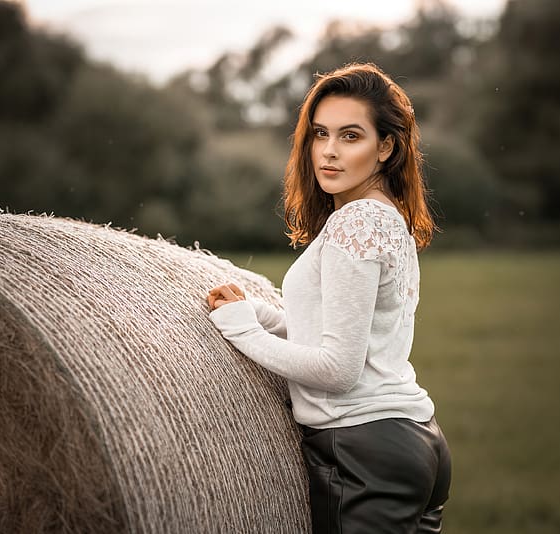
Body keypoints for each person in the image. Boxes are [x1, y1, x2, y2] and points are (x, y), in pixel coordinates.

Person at [207, 62, 451, 533]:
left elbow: (338, 370)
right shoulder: (383, 217)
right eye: (321, 134)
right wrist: (259, 314)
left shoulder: (357, 223)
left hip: (363, 450)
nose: (329, 152)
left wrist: (239, 330)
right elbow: (336, 328)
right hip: (412, 441)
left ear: (386, 147)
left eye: (351, 136)